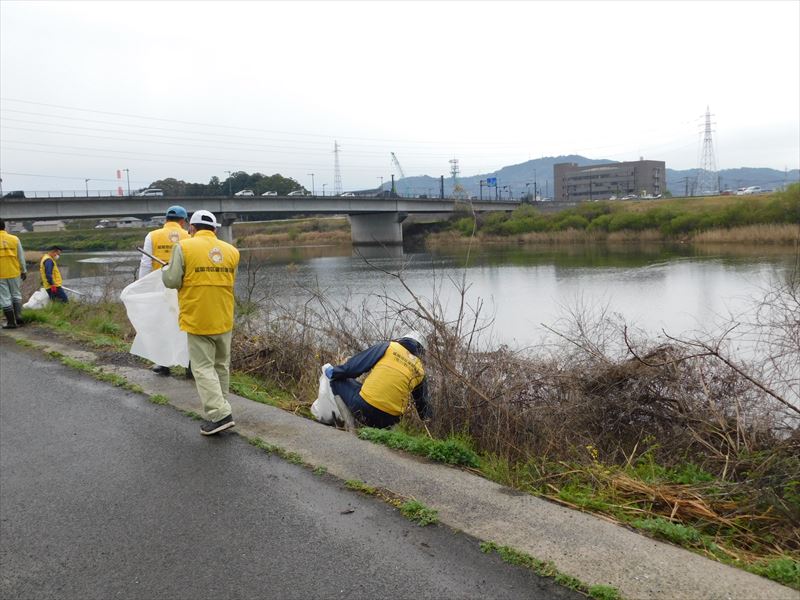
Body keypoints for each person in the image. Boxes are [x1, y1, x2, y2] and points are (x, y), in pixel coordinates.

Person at [162, 209, 240, 436]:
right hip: (224, 316)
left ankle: (220, 414)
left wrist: (166, 270)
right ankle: (221, 406)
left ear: (192, 228)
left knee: (202, 367)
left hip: (198, 316)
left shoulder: (183, 247)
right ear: (215, 229)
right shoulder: (232, 252)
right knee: (220, 366)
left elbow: (172, 280)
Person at [326, 331, 430, 429]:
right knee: (360, 388)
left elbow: (354, 368)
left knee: (336, 381)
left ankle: (351, 426)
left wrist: (335, 372)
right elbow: (423, 407)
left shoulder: (389, 347)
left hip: (364, 410)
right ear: (422, 351)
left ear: (404, 338)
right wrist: (429, 421)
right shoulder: (420, 370)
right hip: (390, 421)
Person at [138, 205, 190, 376]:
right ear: (182, 221)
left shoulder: (152, 236)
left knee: (160, 324)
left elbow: (145, 264)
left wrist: (142, 287)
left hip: (159, 286)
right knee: (185, 324)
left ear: (166, 219)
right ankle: (189, 364)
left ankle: (163, 364)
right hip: (182, 287)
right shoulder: (188, 236)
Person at [0, 219, 28, 329]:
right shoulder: (14, 239)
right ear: (4, 227)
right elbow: (21, 257)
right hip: (14, 272)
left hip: (1, 275)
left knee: (5, 298)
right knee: (16, 294)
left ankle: (11, 323)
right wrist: (24, 270)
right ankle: (19, 317)